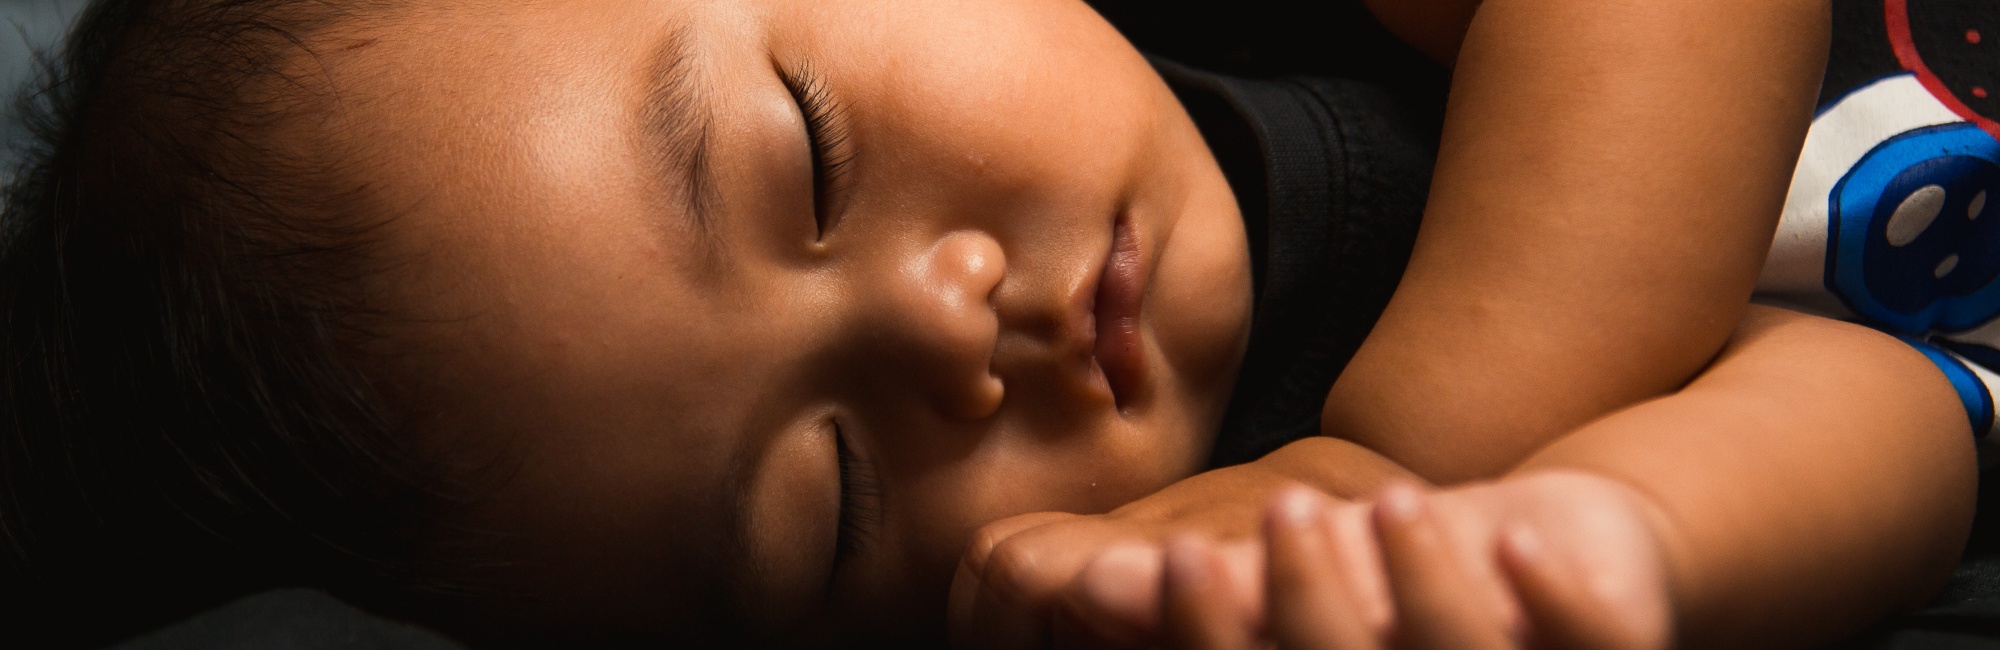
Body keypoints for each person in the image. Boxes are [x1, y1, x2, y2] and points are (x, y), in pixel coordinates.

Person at [0, 0, 1976, 647]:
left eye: (805, 150)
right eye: (834, 490)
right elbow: (1896, 425)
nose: (948, 329)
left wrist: (1426, 431)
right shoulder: (1195, 574)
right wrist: (1513, 546)